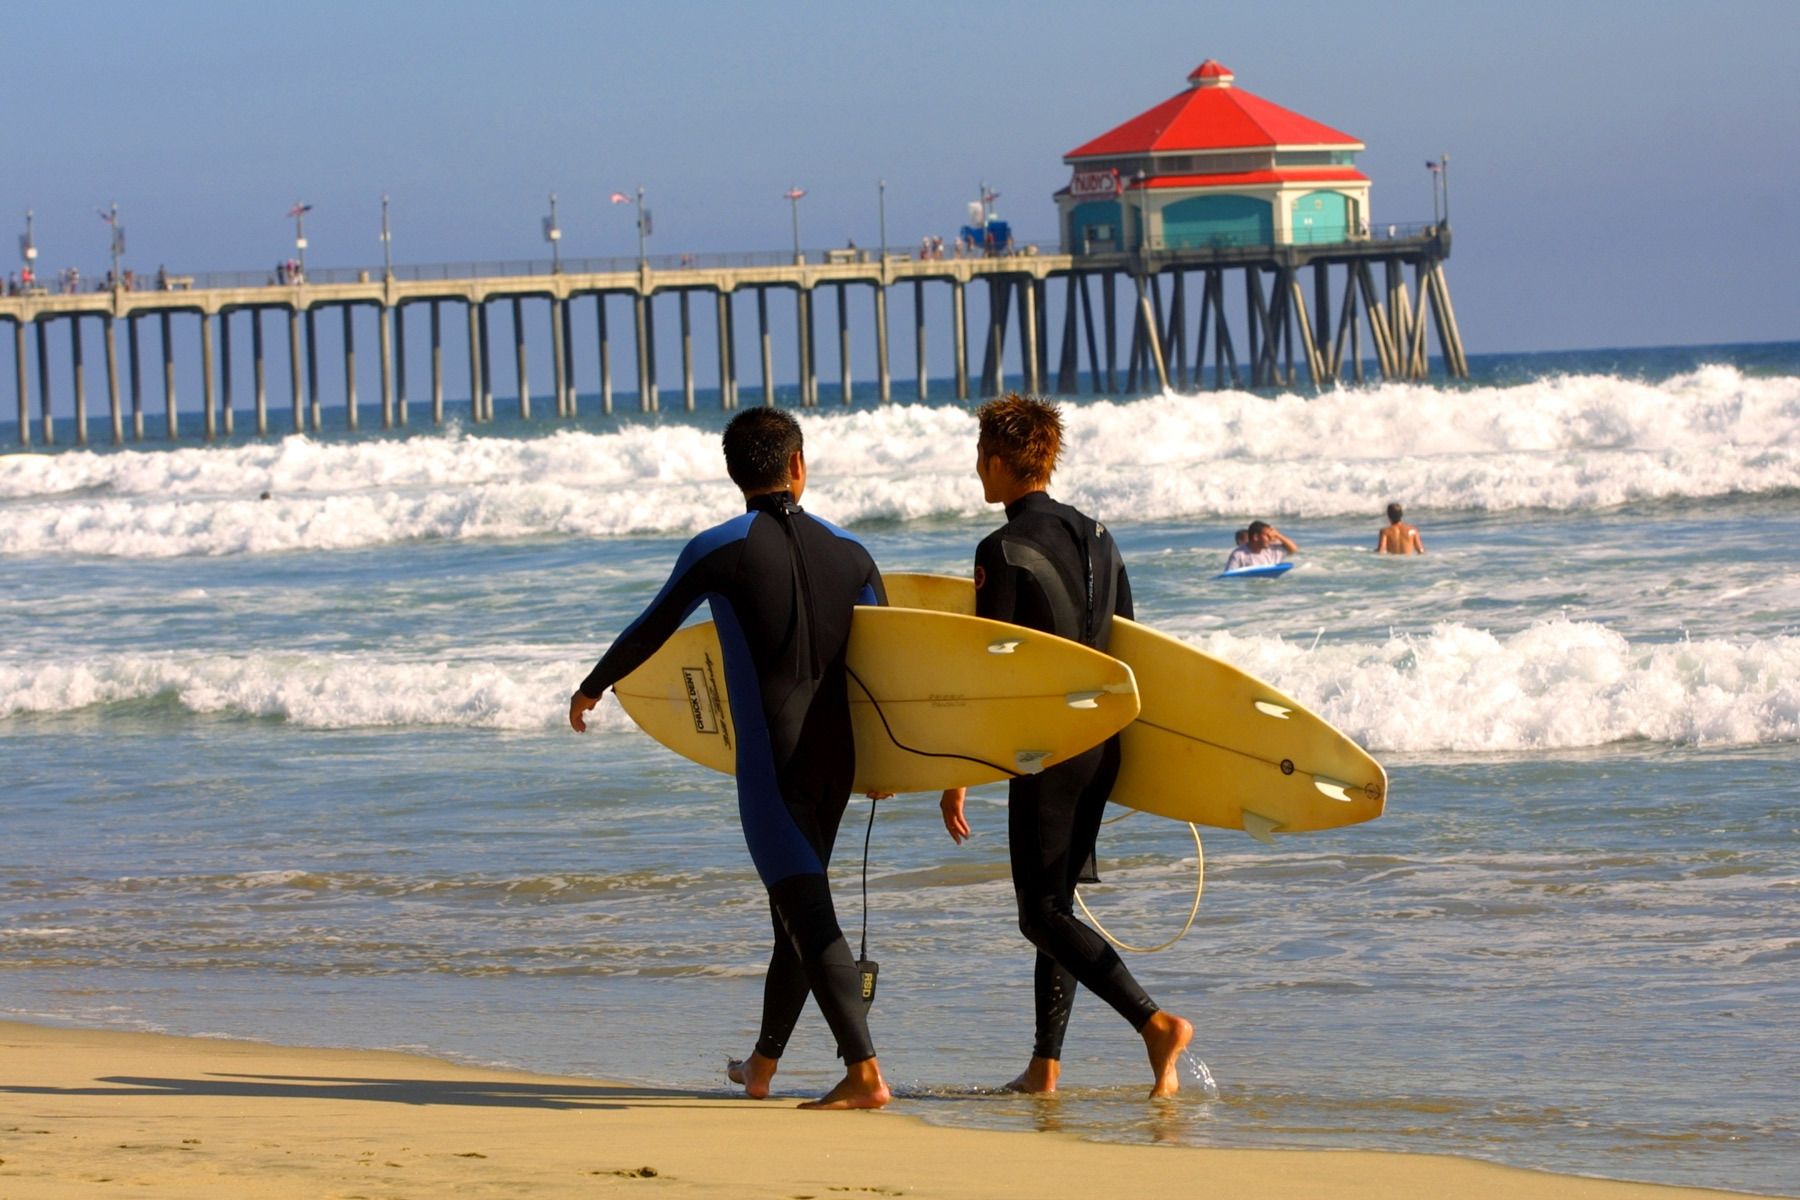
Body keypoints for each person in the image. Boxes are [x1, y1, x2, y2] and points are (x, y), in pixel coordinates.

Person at [568, 408, 892, 1110]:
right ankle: (762, 1067)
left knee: (808, 915)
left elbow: (653, 626)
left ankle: (864, 1072)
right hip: (837, 765)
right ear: (799, 465)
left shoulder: (718, 549)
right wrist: (889, 770)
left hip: (772, 768)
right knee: (793, 916)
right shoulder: (855, 553)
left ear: (732, 472)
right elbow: (887, 663)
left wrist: (593, 686)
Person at [938, 393, 1193, 1099]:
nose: (975, 472)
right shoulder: (1101, 536)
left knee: (1039, 914)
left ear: (998, 460)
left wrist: (961, 769)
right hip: (1102, 740)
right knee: (1059, 906)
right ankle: (1045, 1067)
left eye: (978, 459)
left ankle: (1153, 1024)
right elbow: (1131, 648)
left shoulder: (1001, 549)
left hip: (1046, 746)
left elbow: (995, 666)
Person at [1223, 520, 1297, 571]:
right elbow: (1229, 577)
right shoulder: (1239, 554)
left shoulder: (1273, 549)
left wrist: (1278, 535)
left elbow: (1293, 549)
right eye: (1267, 536)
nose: (1271, 538)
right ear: (1256, 537)